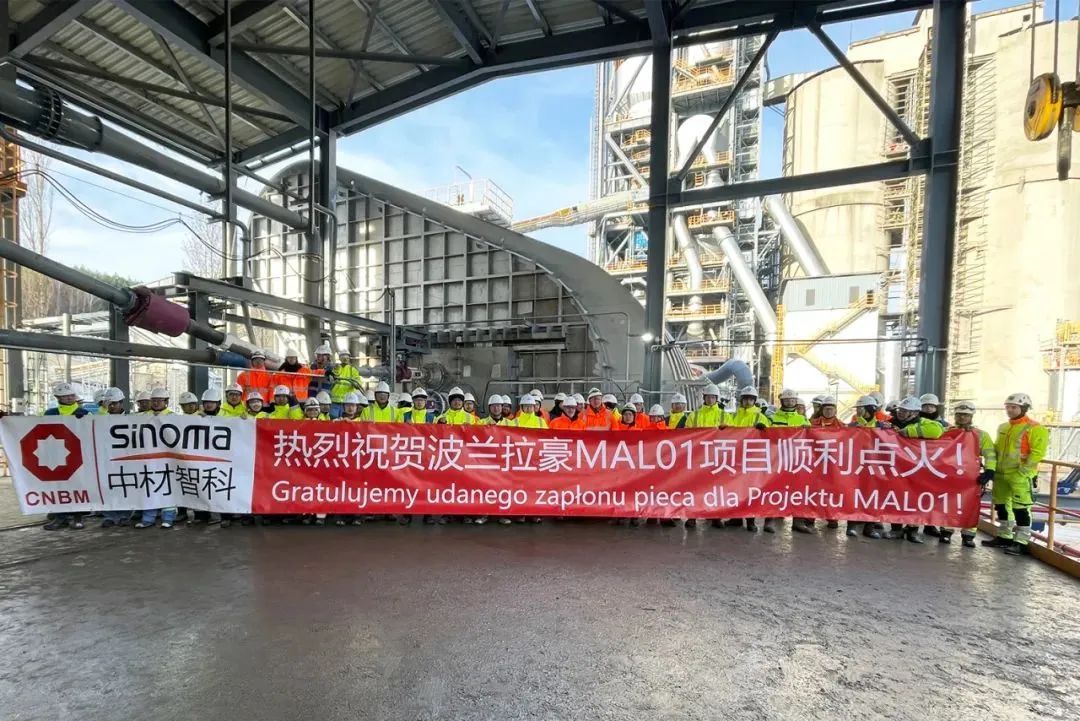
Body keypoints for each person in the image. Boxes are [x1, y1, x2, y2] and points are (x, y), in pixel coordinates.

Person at [983, 393, 1048, 556]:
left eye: (1014, 407)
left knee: (1021, 509)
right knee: (1001, 506)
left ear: (1024, 408)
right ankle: (1004, 537)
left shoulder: (1035, 428)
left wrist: (1023, 472)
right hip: (1001, 474)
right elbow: (997, 448)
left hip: (1020, 476)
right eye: (1008, 407)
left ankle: (1021, 542)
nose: (1010, 410)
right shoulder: (1003, 427)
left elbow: (1037, 453)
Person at [884, 396, 942, 543]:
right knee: (896, 499)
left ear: (915, 413)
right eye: (900, 410)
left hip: (916, 470)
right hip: (896, 469)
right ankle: (896, 529)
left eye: (905, 411)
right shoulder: (890, 423)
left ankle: (913, 531)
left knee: (915, 500)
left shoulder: (924, 423)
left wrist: (908, 431)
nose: (900, 413)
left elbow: (936, 431)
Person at [940, 401, 996, 547]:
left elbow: (990, 454)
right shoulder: (946, 432)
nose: (962, 417)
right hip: (950, 475)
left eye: (966, 415)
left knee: (970, 505)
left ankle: (968, 536)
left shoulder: (981, 435)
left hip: (971, 477)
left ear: (971, 416)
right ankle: (946, 532)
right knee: (948, 503)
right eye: (959, 415)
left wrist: (989, 471)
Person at [41, 383, 90, 531]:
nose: (69, 398)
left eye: (71, 395)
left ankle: (77, 517)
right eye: (65, 396)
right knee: (58, 487)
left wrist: (85, 421)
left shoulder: (84, 413)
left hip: (78, 456)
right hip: (57, 456)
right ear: (58, 397)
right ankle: (60, 517)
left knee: (78, 486)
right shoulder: (50, 414)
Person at [845, 395, 888, 539]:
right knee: (855, 495)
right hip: (857, 466)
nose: (857, 411)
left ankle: (869, 528)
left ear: (869, 409)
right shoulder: (852, 426)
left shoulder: (882, 426)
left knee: (874, 497)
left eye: (860, 408)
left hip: (875, 466)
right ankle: (851, 526)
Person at [135, 388, 177, 530]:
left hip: (168, 459)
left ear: (166, 402)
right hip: (149, 459)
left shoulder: (173, 416)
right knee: (149, 487)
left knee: (167, 488)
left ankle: (168, 518)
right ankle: (148, 518)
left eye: (160, 400)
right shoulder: (142, 416)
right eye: (154, 400)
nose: (156, 403)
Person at [99, 388, 133, 528]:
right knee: (107, 488)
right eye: (109, 403)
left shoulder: (132, 419)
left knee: (125, 488)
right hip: (106, 459)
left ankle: (124, 515)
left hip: (126, 460)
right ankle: (109, 516)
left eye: (115, 403)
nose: (112, 406)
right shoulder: (99, 420)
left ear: (121, 403)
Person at [329, 350, 360, 418]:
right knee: (333, 419)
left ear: (349, 358)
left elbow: (358, 382)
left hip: (347, 401)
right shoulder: (336, 368)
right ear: (339, 358)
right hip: (335, 400)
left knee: (345, 419)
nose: (345, 358)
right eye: (343, 356)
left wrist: (355, 383)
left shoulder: (353, 370)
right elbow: (331, 378)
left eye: (347, 357)